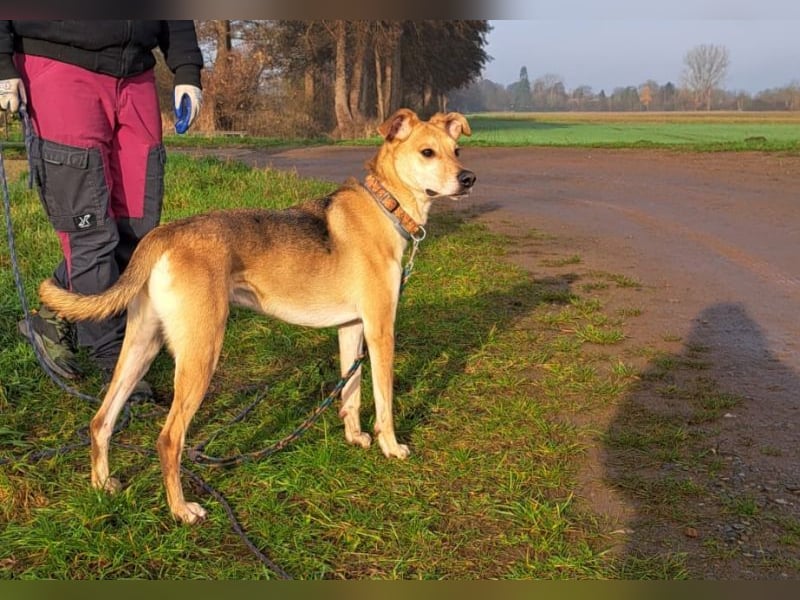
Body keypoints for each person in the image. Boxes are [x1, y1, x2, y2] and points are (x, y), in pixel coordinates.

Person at [0, 21, 204, 399]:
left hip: (136, 75)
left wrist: (187, 69)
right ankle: (114, 359)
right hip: (59, 64)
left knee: (139, 227)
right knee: (89, 231)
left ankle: (54, 311)